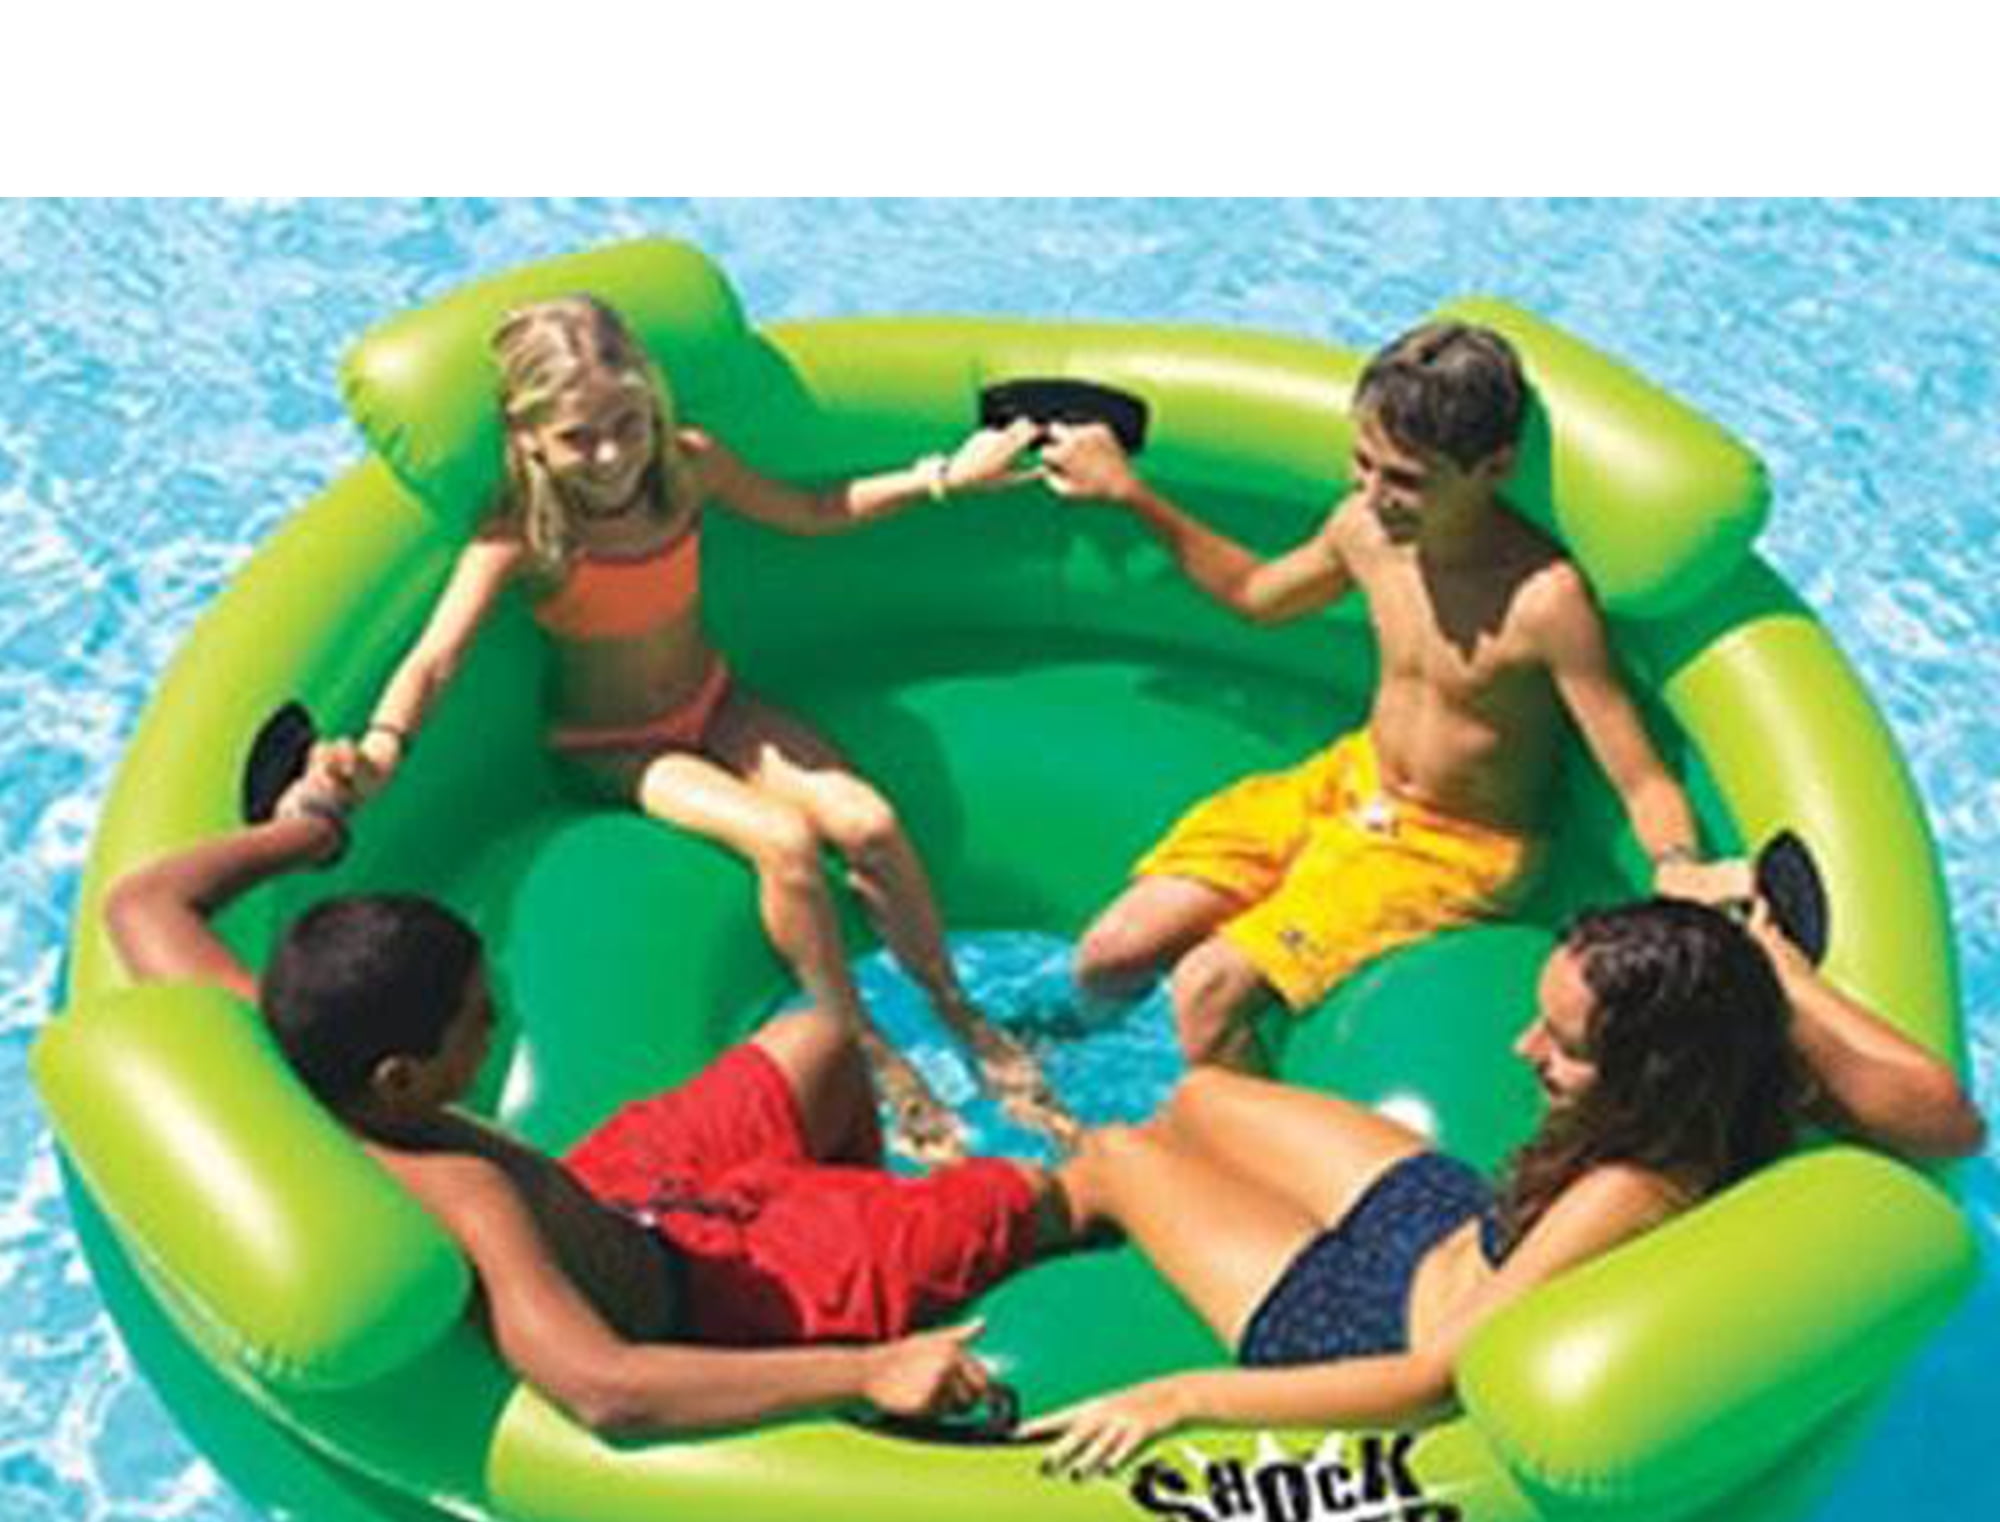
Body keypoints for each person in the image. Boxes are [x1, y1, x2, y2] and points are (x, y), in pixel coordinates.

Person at [103, 751, 1091, 1444]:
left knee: (823, 1041)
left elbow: (140, 903)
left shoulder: (287, 1044)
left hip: (625, 1192)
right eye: (477, 1018)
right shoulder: (464, 1193)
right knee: (1054, 1190)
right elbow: (606, 1390)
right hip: (708, 1298)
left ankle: (858, 1210)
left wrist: (309, 833)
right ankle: (860, 1305)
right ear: (400, 1078)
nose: (500, 1020)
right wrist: (867, 1371)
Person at [349, 293, 1068, 1164]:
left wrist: (942, 478)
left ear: (651, 401)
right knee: (785, 843)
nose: (611, 454)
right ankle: (862, 1048)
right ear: (528, 435)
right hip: (616, 747)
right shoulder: (522, 534)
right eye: (578, 436)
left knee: (868, 822)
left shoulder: (686, 467)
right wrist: (384, 744)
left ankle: (960, 1011)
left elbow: (811, 510)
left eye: (627, 422)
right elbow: (435, 659)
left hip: (715, 701)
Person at [1022, 893, 1986, 1476]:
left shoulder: (1627, 1188)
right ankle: (1164, 1193)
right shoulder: (1732, 1070)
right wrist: (1770, 967)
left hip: (1359, 1324)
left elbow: (1430, 1381)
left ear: (1654, 1069)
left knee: (1116, 1153)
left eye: (1565, 1047)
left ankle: (1035, 1201)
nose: (1525, 1049)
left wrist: (1183, 1398)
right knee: (1200, 1097)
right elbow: (1950, 1117)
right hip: (1441, 1221)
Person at [1042, 319, 1746, 1067]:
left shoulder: (1542, 602)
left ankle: (1227, 1134)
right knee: (1109, 953)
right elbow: (1257, 594)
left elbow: (1639, 776)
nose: (1375, 495)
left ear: (1495, 467)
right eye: (1363, 463)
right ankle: (1062, 1069)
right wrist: (1129, 493)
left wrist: (1677, 862)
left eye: (1406, 479)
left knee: (1205, 990)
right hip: (1349, 785)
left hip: (1456, 847)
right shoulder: (1365, 531)